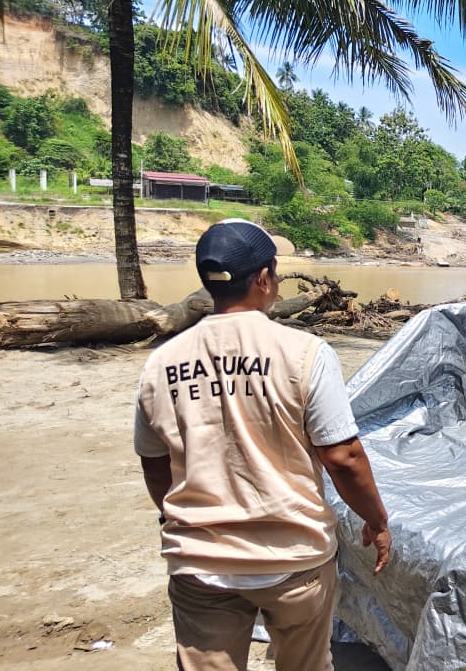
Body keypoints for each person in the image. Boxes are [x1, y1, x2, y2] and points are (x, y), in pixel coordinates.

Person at [134, 219, 392, 671]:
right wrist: (376, 520)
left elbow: (155, 465)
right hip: (294, 559)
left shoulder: (161, 362)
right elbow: (343, 456)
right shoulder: (305, 352)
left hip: (201, 563)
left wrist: (177, 514)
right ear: (265, 279)